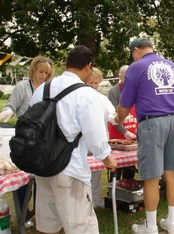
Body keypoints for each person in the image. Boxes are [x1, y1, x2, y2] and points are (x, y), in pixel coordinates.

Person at [30, 45, 117, 233]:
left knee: (49, 226)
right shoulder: (87, 95)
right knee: (81, 227)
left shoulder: (42, 90)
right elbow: (96, 136)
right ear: (88, 66)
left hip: (43, 166)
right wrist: (107, 158)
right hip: (71, 169)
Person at [115, 38, 174, 234]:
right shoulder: (171, 64)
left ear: (137, 50)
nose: (133, 56)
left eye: (133, 53)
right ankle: (172, 223)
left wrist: (118, 119)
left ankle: (150, 227)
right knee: (172, 173)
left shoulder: (136, 66)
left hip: (153, 122)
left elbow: (124, 105)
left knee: (151, 176)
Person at [0, 55, 54, 226]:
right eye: (41, 72)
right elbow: (11, 105)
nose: (43, 75)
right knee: (24, 180)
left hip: (43, 139)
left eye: (47, 72)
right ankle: (24, 214)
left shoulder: (49, 88)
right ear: (33, 70)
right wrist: (8, 112)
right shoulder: (23, 87)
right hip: (24, 139)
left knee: (42, 179)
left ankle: (40, 213)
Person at [85, 67, 116, 208]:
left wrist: (118, 117)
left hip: (98, 142)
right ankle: (84, 202)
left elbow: (112, 116)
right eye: (90, 83)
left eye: (96, 83)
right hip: (83, 143)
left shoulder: (103, 99)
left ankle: (96, 199)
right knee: (83, 174)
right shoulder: (81, 98)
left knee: (96, 173)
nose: (93, 86)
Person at [107, 65, 137, 180]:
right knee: (115, 166)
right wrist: (125, 132)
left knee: (131, 165)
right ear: (120, 76)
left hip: (133, 131)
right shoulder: (113, 92)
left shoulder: (135, 89)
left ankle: (129, 187)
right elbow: (113, 115)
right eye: (126, 76)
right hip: (118, 134)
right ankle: (113, 190)